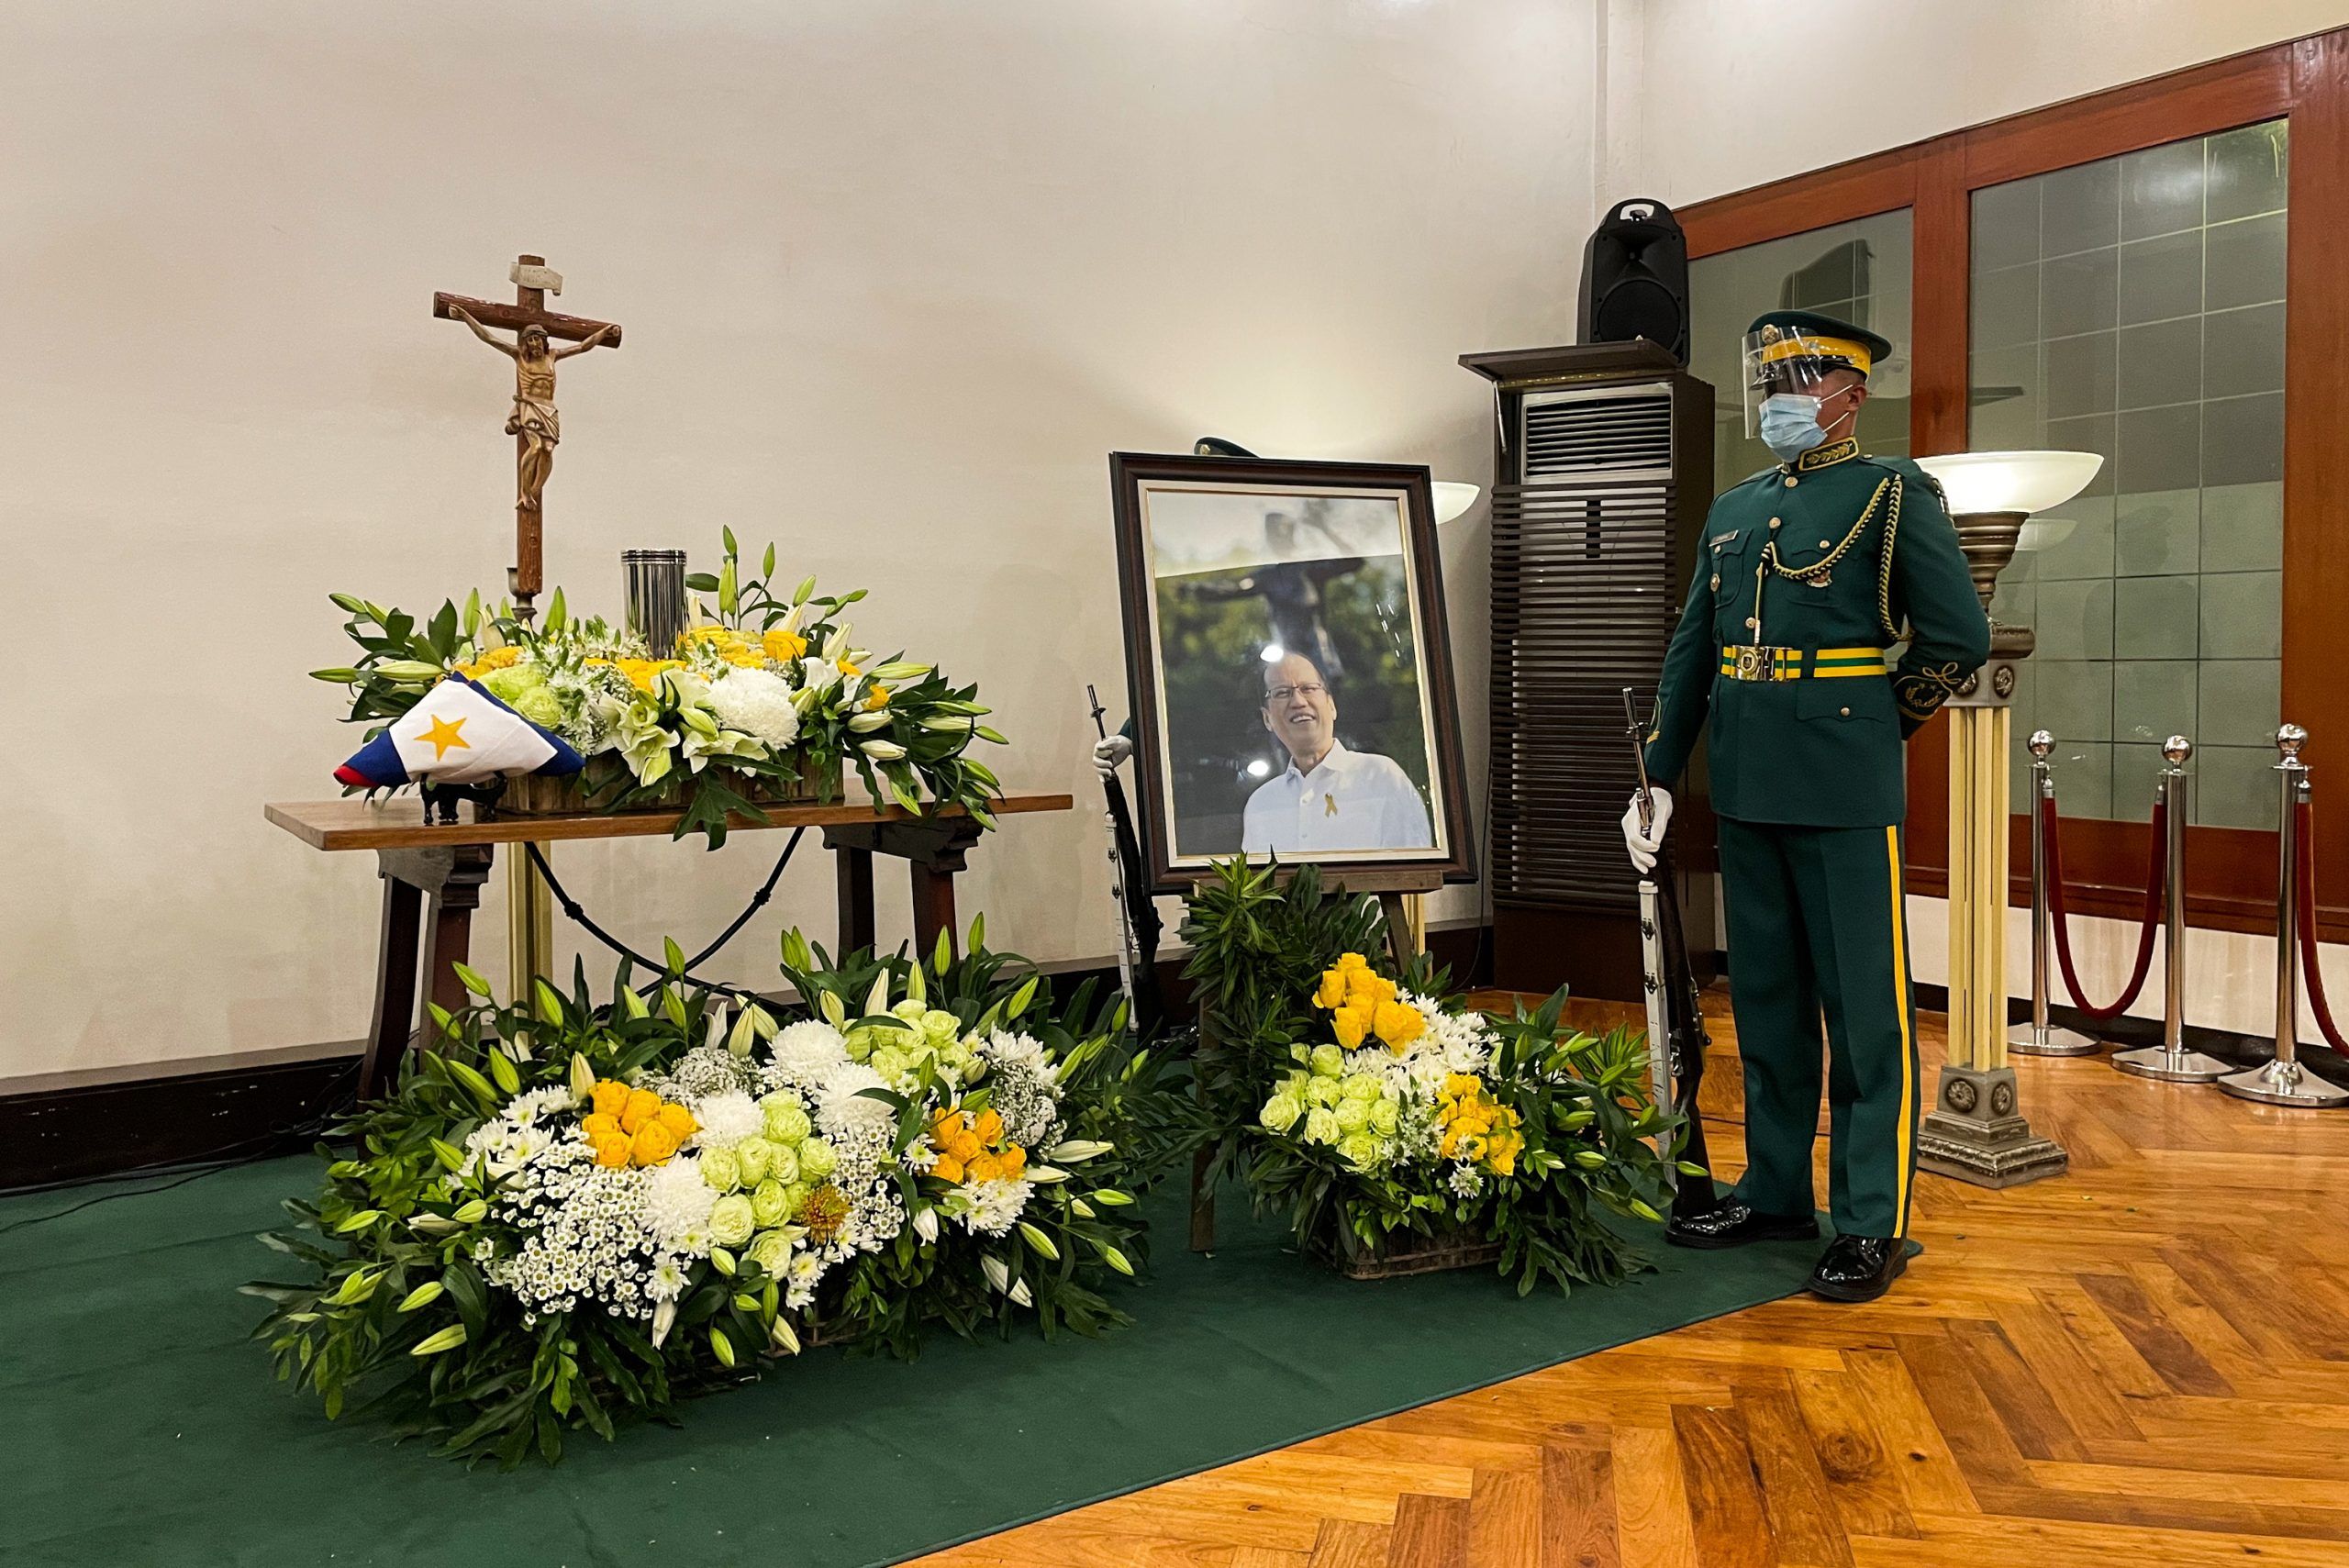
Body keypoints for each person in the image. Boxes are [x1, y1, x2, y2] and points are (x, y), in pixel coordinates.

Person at [1621, 309, 1989, 1304]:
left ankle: (1869, 1215)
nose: (1779, 396)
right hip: (1746, 782)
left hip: (1840, 787)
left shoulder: (1890, 492)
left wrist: (1874, 728)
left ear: (1850, 392)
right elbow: (1694, 646)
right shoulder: (1735, 509)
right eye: (1770, 377)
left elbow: (1956, 637)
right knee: (1768, 1003)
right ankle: (1777, 1188)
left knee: (1866, 1015)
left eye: (1800, 377)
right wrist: (1657, 771)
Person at [1241, 652, 1431, 853]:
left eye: (1308, 688)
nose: (1298, 701)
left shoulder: (1380, 777)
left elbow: (1416, 873)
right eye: (1282, 693)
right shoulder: (1260, 805)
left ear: (1331, 706)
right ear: (1267, 718)